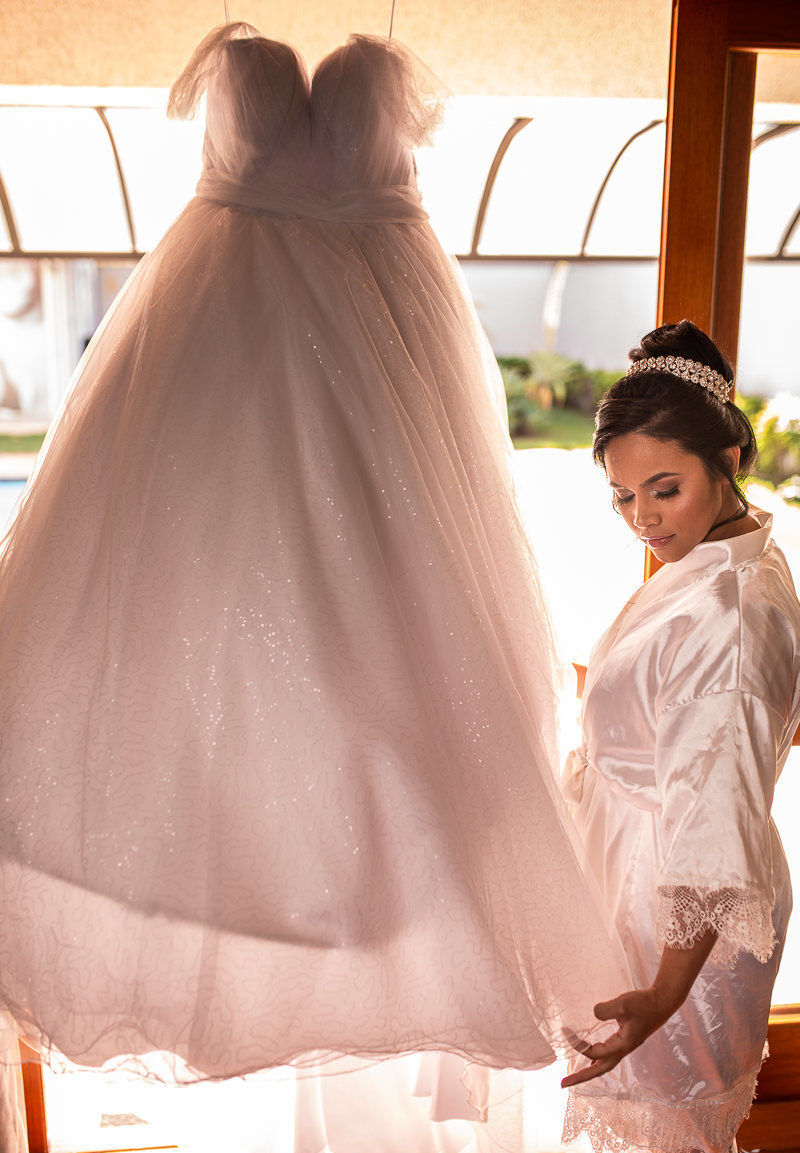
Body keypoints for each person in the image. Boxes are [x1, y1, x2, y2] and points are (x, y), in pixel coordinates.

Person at [0, 23, 629, 1095]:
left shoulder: (368, 86)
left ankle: (373, 909)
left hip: (383, 361)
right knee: (189, 652)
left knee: (392, 670)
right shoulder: (243, 75)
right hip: (218, 348)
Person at [560, 320, 800, 1153]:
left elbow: (712, 817)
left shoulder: (727, 618)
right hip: (650, 891)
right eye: (624, 498)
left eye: (664, 489)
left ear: (729, 451)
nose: (644, 520)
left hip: (681, 928)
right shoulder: (719, 555)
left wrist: (664, 994)